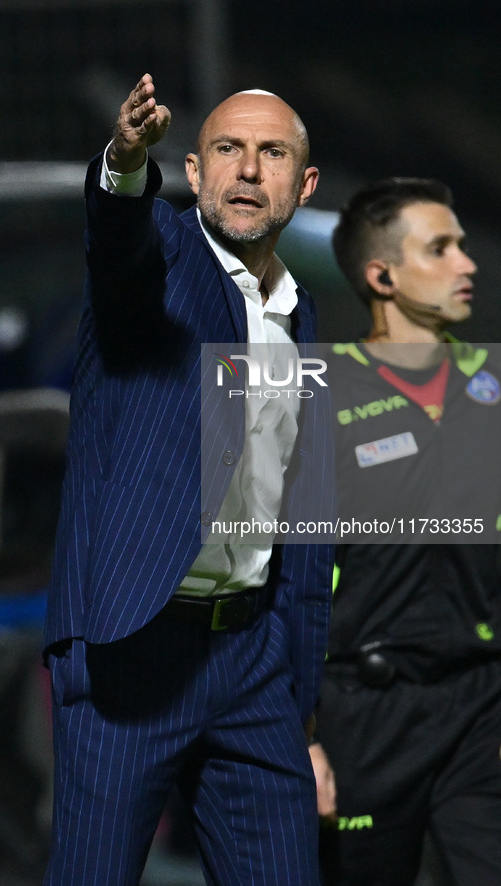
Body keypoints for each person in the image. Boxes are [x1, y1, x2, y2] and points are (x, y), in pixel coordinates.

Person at [42, 73, 334, 886]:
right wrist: (126, 163)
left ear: (303, 185)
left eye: (271, 153)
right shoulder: (165, 258)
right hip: (132, 653)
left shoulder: (301, 312)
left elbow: (302, 520)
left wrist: (299, 699)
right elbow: (120, 237)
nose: (247, 170)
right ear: (195, 173)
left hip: (253, 669)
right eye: (226, 150)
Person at [310, 177, 501, 885]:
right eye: (440, 248)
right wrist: (296, 738)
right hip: (358, 714)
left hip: (479, 706)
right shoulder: (313, 395)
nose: (466, 263)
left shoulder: (490, 386)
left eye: (461, 245)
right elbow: (267, 585)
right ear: (380, 275)